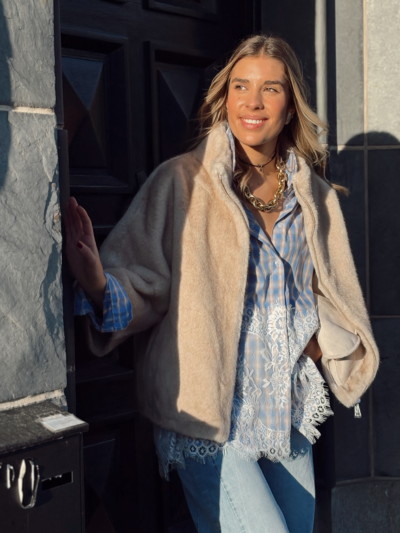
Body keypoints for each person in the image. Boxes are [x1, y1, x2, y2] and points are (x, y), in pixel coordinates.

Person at [65, 35, 379, 533]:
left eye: (270, 89)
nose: (253, 102)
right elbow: (147, 282)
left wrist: (320, 345)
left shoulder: (315, 197)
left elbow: (330, 293)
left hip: (286, 410)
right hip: (209, 416)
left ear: (290, 107)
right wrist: (100, 284)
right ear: (224, 98)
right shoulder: (183, 182)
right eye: (240, 86)